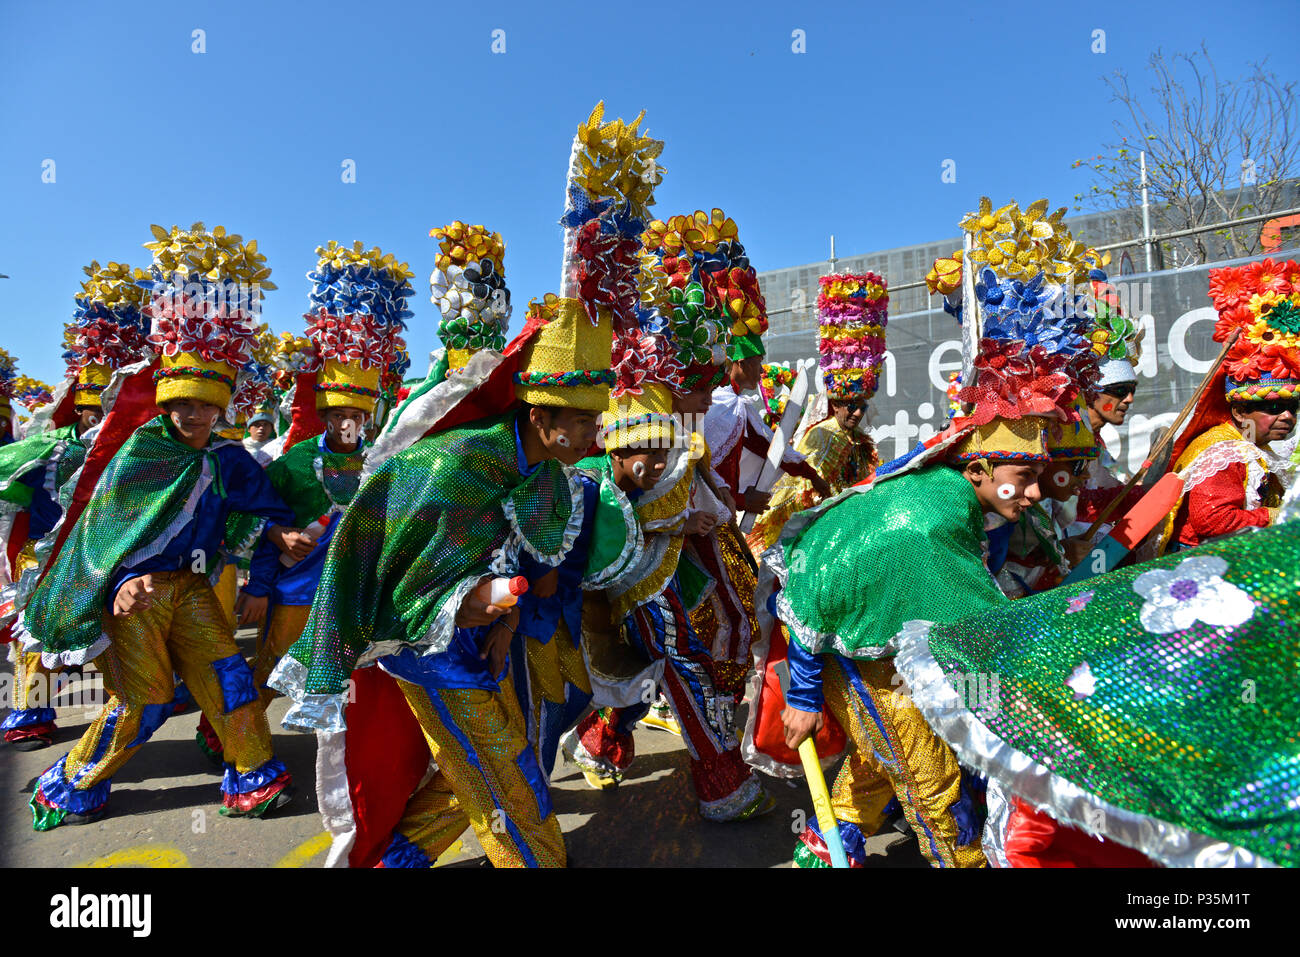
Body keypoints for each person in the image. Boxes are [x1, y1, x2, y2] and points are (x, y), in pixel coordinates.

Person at [779, 197, 1094, 868]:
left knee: (915, 756)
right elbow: (820, 590)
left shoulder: (968, 502)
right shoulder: (930, 519)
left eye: (1043, 474)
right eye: (1025, 475)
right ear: (977, 465)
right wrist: (802, 695)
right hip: (847, 650)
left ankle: (835, 836)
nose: (1036, 491)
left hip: (884, 643)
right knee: (938, 792)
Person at [21, 223, 307, 829]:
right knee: (145, 701)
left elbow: (266, 511)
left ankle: (252, 775)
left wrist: (281, 537)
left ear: (222, 406)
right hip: (136, 598)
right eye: (184, 404)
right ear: (166, 401)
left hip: (194, 586)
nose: (196, 415)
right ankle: (72, 780)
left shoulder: (228, 458)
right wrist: (120, 582)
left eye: (207, 405)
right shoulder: (138, 455)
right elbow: (102, 533)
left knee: (229, 676)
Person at [1152, 258, 1299, 554]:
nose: (1287, 416)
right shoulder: (1225, 451)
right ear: (1239, 411)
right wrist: (1280, 515)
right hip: (1198, 565)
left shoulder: (1251, 444)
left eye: (1293, 407)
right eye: (1272, 407)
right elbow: (1213, 521)